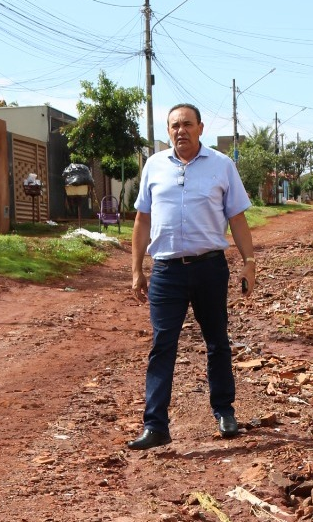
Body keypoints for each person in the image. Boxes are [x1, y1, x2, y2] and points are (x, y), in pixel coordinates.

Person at [127, 103, 257, 450]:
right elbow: (142, 219)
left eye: (186, 124)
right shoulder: (154, 166)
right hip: (167, 272)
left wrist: (249, 261)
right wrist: (137, 268)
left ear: (200, 128)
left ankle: (224, 412)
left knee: (217, 341)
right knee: (161, 346)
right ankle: (156, 426)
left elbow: (238, 219)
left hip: (209, 268)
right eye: (173, 126)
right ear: (167, 131)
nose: (180, 130)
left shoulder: (222, 166)